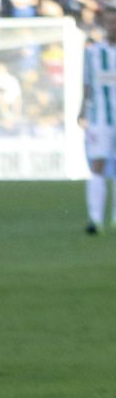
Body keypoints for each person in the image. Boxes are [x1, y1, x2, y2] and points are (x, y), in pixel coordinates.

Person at [83, 13, 116, 234]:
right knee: (97, 165)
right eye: (110, 22)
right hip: (99, 117)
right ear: (104, 25)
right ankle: (95, 219)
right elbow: (87, 83)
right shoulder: (93, 53)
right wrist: (81, 110)